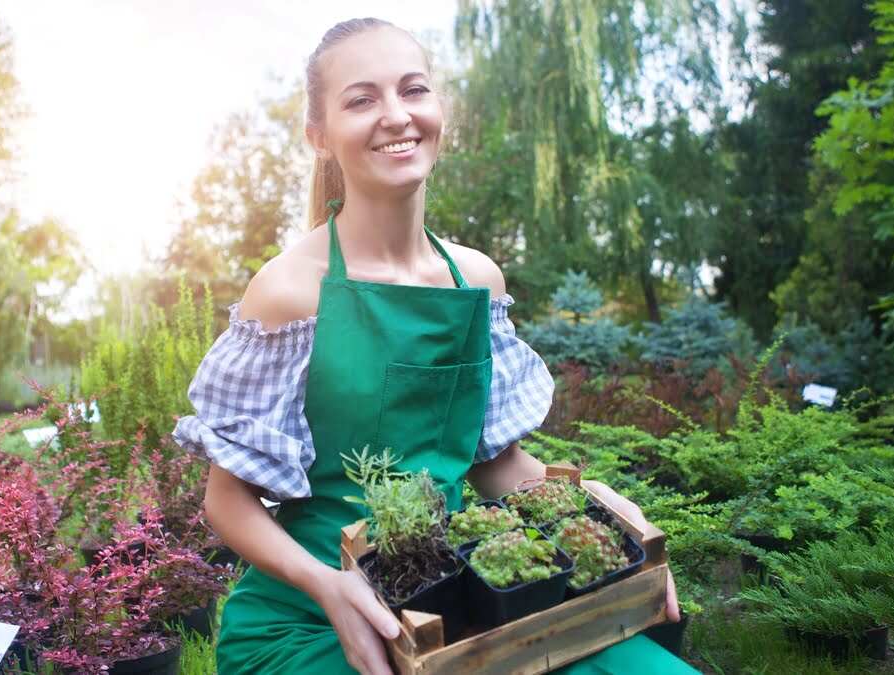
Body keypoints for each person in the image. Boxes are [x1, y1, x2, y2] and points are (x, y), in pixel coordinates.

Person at [172, 17, 698, 675]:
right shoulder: (290, 292)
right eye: (361, 99)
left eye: (413, 90)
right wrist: (329, 586)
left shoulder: (474, 279)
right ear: (319, 136)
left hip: (449, 605)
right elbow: (226, 501)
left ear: (439, 110)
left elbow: (491, 465)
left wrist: (600, 505)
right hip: (309, 619)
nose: (396, 116)